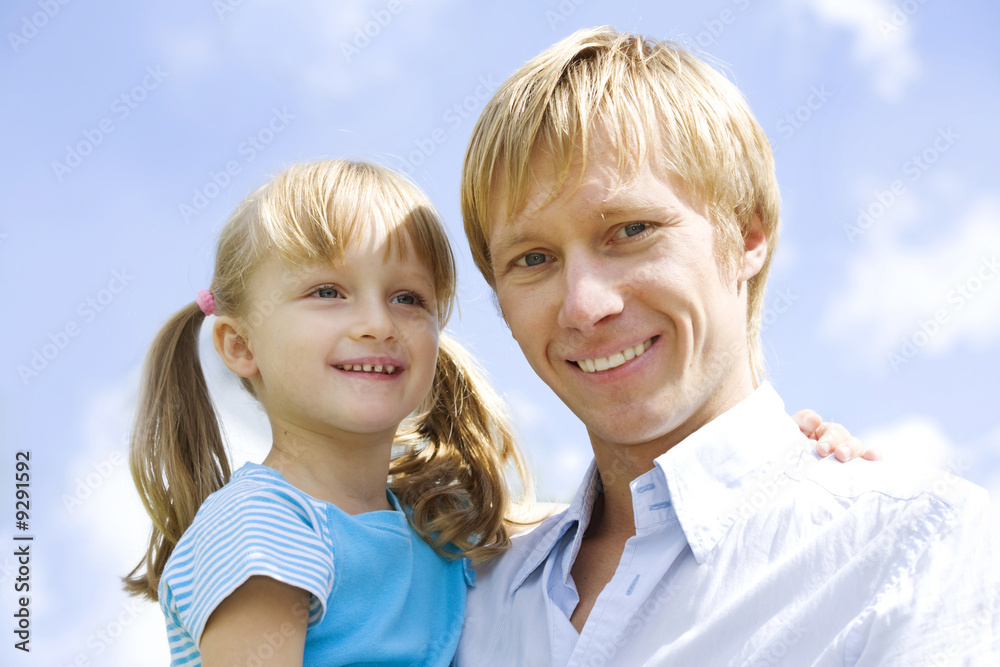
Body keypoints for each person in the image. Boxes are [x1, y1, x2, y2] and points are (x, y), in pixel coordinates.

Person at [454, 27, 997, 666]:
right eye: (532, 258)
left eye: (631, 230)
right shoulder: (465, 603)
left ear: (746, 236)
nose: (583, 304)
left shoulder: (915, 548)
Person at [123, 159, 530, 666]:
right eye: (327, 292)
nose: (378, 324)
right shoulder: (261, 525)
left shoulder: (437, 528)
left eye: (407, 298)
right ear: (241, 345)